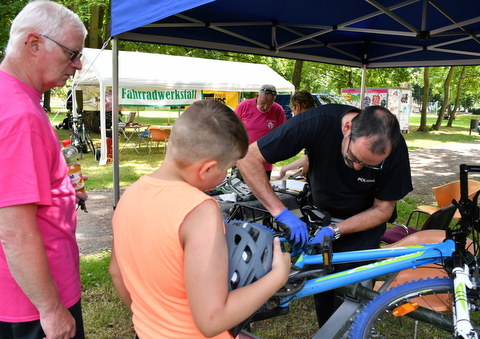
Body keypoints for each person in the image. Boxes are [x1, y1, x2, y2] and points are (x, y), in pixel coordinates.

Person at [109, 100, 291, 339]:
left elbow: (116, 272)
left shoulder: (130, 195)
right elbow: (211, 320)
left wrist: (155, 320)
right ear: (207, 169)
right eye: (228, 168)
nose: (227, 174)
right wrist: (278, 276)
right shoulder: (200, 210)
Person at [236, 104, 412, 327]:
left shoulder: (394, 148)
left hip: (362, 227)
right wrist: (280, 212)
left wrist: (336, 230)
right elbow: (248, 158)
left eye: (368, 165)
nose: (357, 168)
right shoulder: (316, 122)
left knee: (353, 299)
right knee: (324, 292)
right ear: (347, 128)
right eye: (353, 157)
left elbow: (383, 210)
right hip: (320, 218)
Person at [0, 1, 88, 338]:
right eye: (71, 54)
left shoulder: (12, 97)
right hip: (31, 306)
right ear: (34, 44)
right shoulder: (20, 115)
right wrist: (51, 310)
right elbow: (15, 231)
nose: (78, 65)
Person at [235, 84, 287, 179]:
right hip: (242, 157)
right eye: (262, 103)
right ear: (257, 96)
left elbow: (282, 134)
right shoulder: (244, 106)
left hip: (264, 160)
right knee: (238, 190)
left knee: (261, 192)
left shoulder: (278, 110)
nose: (265, 107)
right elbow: (232, 128)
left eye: (269, 104)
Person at [275, 90, 316, 179]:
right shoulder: (316, 120)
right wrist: (285, 169)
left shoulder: (311, 124)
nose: (294, 115)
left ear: (298, 106)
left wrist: (312, 164)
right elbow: (309, 156)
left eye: (293, 111)